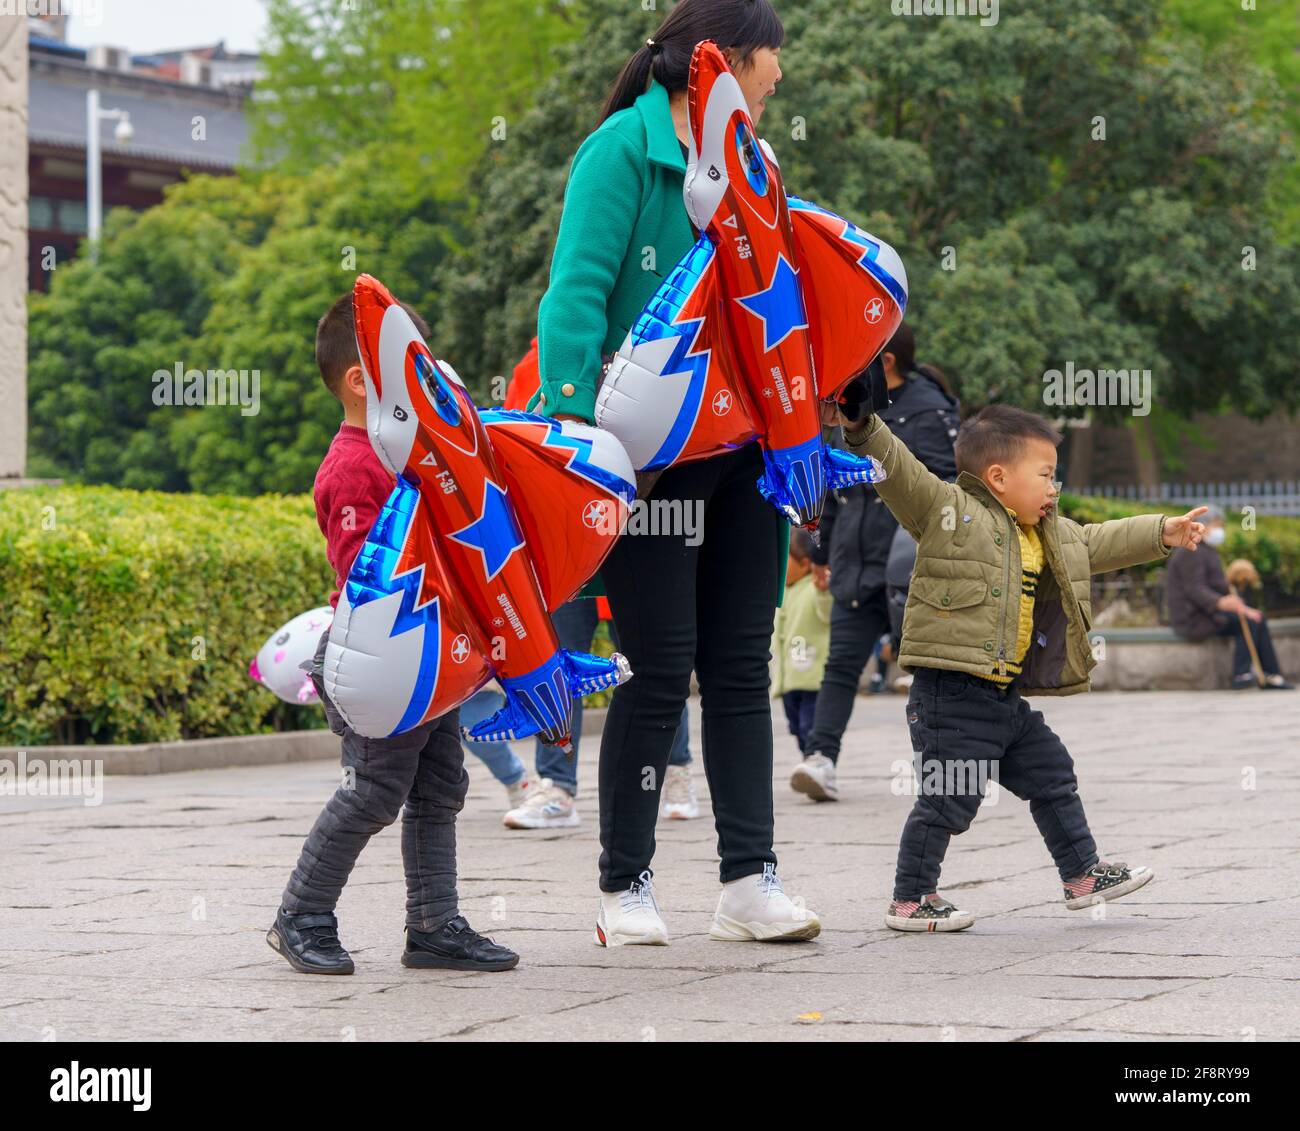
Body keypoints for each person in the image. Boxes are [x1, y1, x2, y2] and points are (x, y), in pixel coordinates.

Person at [532, 0, 820, 946]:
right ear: (725, 61)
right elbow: (573, 294)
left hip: (747, 454)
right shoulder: (620, 151)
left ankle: (750, 879)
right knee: (657, 674)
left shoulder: (756, 164)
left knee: (740, 667)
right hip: (648, 457)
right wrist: (577, 440)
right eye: (769, 72)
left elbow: (779, 294)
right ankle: (625, 886)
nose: (775, 90)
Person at [835, 397, 1210, 932]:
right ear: (998, 476)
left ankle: (1082, 874)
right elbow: (899, 471)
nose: (1054, 487)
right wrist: (861, 425)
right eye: (1046, 474)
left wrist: (1161, 532)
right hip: (951, 696)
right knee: (948, 801)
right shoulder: (947, 512)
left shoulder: (1048, 532)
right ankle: (910, 898)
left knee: (1052, 772)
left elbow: (1095, 541)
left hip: (1004, 698)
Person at [266, 293, 518, 975]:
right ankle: (301, 913)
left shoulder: (404, 451)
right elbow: (365, 570)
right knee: (374, 788)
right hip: (381, 660)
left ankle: (434, 924)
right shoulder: (352, 466)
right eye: (411, 365)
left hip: (429, 659)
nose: (428, 376)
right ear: (360, 379)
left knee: (440, 786)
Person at [794, 325, 960, 803]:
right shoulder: (849, 405)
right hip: (854, 559)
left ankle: (942, 766)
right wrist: (820, 552)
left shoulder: (930, 411)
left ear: (884, 362)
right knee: (841, 665)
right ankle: (820, 758)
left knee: (926, 669)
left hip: (910, 568)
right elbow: (826, 477)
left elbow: (944, 490)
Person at [1165, 505, 1293, 690]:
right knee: (1248, 622)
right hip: (1193, 617)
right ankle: (1241, 675)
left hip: (1208, 612)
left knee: (1256, 617)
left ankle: (1271, 674)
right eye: (1217, 525)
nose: (1220, 530)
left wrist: (1241, 605)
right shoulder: (1190, 551)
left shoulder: (1208, 551)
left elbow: (1219, 586)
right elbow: (1195, 589)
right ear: (1204, 526)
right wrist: (1221, 602)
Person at [770, 529, 832, 757]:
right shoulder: (783, 592)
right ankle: (809, 758)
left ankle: (817, 758)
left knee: (810, 726)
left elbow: (826, 614)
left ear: (805, 563)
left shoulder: (814, 588)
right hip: (789, 680)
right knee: (796, 727)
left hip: (812, 678)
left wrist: (823, 591)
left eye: (785, 560)